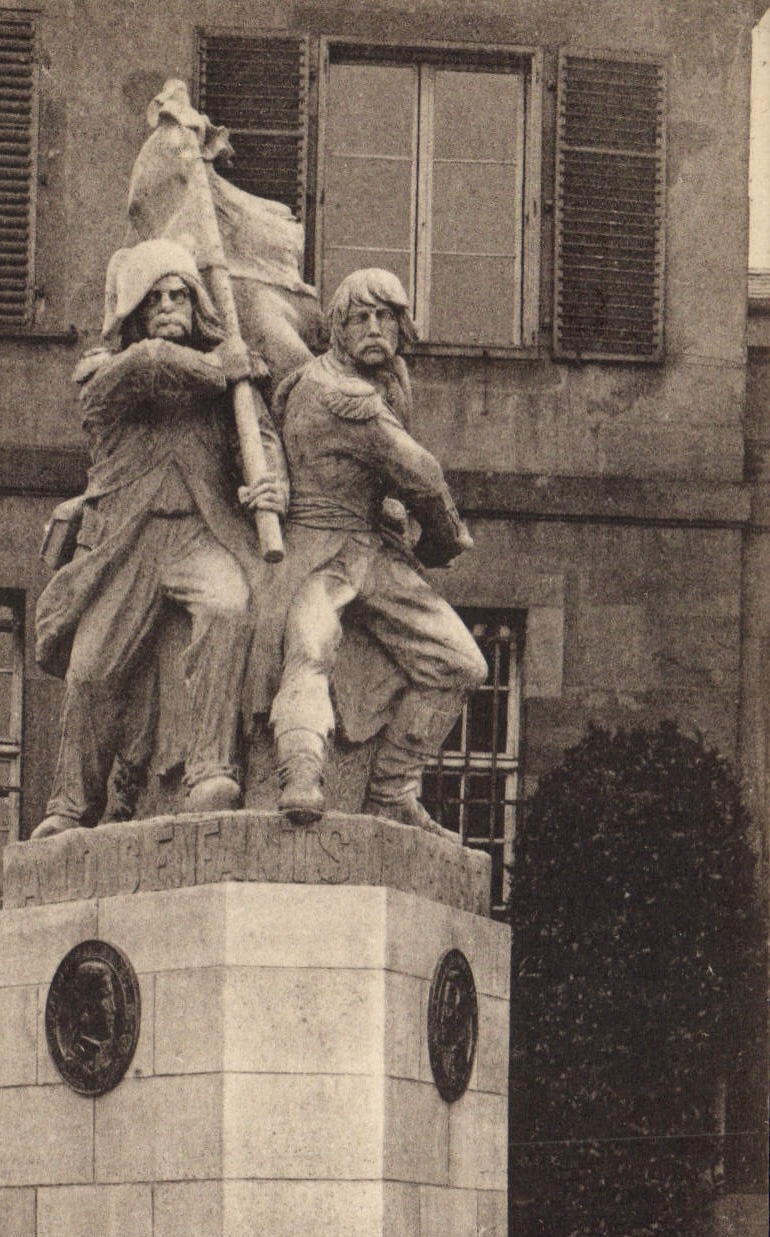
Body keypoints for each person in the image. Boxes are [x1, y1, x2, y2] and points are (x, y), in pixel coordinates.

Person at [33, 239, 287, 836]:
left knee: (230, 608)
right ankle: (70, 805)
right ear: (134, 312)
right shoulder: (106, 373)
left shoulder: (235, 390)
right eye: (154, 299)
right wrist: (220, 367)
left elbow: (265, 444)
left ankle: (211, 769)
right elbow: (146, 365)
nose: (169, 307)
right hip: (127, 545)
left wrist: (273, 488)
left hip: (201, 537)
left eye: (179, 295)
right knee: (92, 669)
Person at [269, 269, 487, 832]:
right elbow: (423, 474)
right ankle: (300, 772)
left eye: (385, 317)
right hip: (317, 549)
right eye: (360, 317)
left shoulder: (384, 384)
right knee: (310, 648)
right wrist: (444, 540)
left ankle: (390, 789)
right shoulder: (338, 395)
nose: (374, 328)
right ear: (336, 328)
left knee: (461, 663)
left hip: (372, 549)